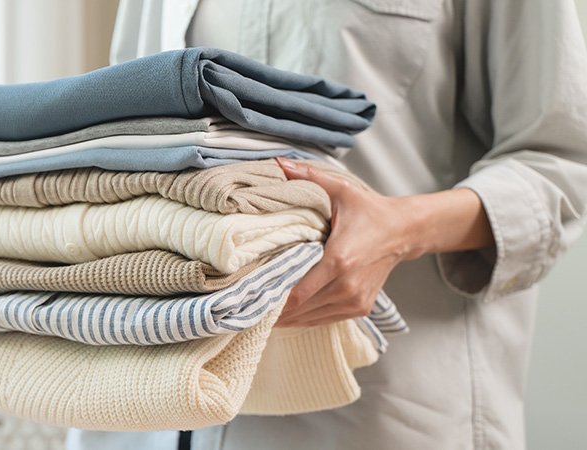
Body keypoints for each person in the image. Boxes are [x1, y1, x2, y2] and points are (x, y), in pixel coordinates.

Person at [67, 0, 587, 448]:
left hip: (383, 411)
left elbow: (561, 163)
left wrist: (399, 230)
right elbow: (128, 132)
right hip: (150, 401)